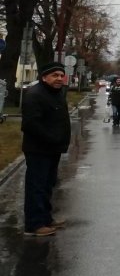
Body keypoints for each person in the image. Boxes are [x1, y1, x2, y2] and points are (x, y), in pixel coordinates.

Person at [21, 62, 71, 237]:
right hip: (39, 149)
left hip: (52, 149)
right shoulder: (35, 95)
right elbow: (30, 124)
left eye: (61, 75)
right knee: (37, 186)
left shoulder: (57, 93)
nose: (59, 78)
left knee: (48, 185)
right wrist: (52, 138)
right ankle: (34, 225)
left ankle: (46, 218)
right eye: (54, 75)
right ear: (44, 77)